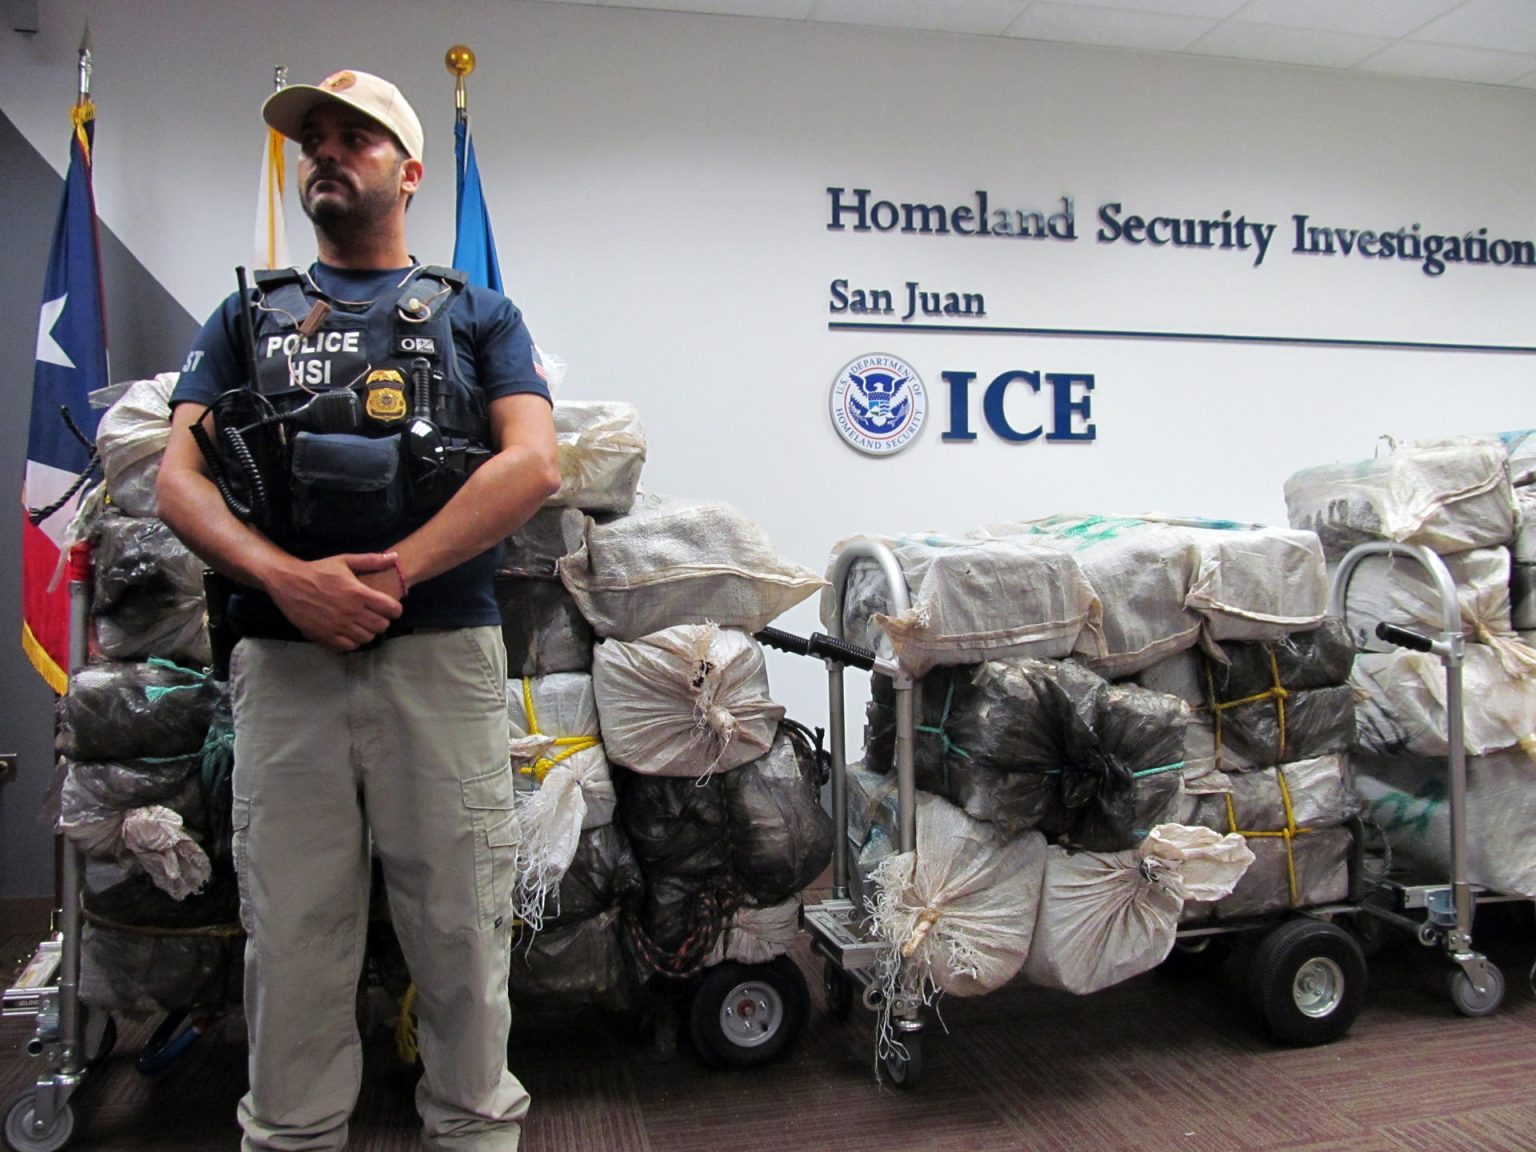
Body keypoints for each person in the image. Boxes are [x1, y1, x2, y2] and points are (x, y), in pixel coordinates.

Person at [157, 68, 560, 1152]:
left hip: (439, 653)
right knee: (294, 932)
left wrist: (393, 572)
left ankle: (474, 1130)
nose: (326, 153)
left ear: (411, 172)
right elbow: (177, 482)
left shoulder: (480, 315)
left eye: (357, 138)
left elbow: (533, 466)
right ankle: (290, 1136)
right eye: (313, 140)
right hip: (283, 663)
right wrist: (285, 578)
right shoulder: (244, 318)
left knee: (462, 926)